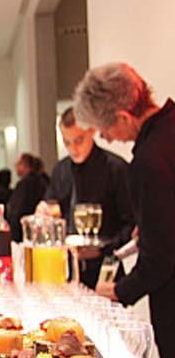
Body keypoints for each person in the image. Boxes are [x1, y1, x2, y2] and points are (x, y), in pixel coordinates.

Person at [74, 62, 175, 358]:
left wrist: (119, 290)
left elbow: (161, 258)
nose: (106, 138)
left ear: (124, 117)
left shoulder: (148, 160)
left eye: (105, 129)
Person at [40, 107, 134, 288]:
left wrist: (102, 249)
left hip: (106, 270)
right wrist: (44, 211)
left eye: (78, 140)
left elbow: (132, 224)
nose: (73, 149)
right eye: (67, 143)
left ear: (92, 130)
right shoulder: (61, 170)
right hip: (66, 269)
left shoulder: (116, 168)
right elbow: (51, 206)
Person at [6, 153, 47, 242]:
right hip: (39, 228)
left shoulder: (24, 184)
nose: (15, 168)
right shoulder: (43, 181)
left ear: (24, 165)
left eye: (17, 164)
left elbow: (17, 211)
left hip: (24, 231)